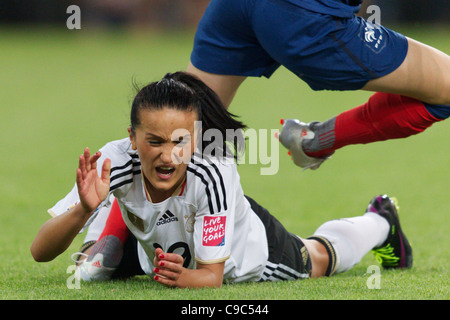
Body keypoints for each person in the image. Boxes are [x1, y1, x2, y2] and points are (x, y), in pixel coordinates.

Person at [31, 72, 412, 288]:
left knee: (317, 258)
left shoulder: (212, 173)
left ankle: (380, 221)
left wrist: (184, 278)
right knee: (101, 224)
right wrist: (82, 209)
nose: (168, 155)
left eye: (180, 141)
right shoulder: (113, 159)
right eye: (154, 142)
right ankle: (105, 237)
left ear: (195, 138)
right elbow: (40, 252)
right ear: (131, 138)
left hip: (245, 255)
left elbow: (211, 278)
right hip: (164, 248)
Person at [186, 0, 449, 169]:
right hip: (304, 17)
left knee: (184, 130)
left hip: (231, 8)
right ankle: (313, 140)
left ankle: (157, 237)